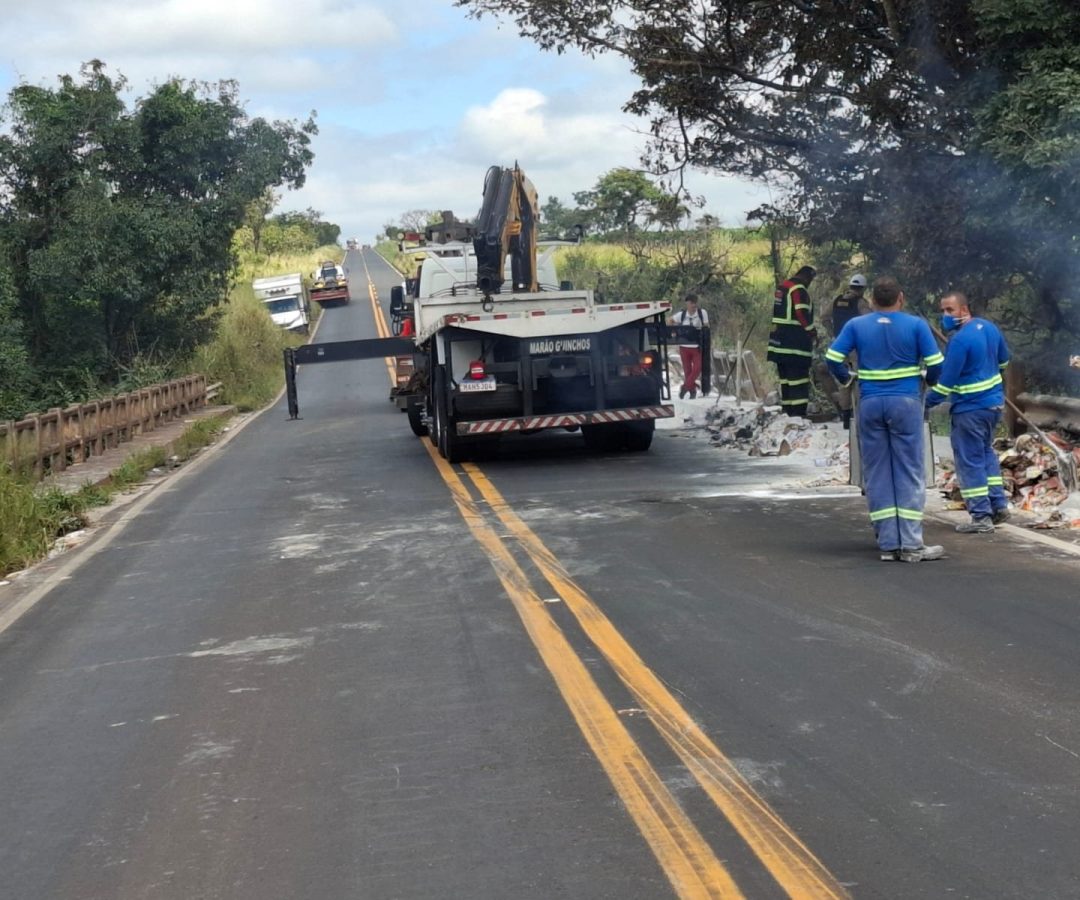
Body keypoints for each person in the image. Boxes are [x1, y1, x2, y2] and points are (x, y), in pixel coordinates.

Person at [826, 276, 946, 562]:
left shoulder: (856, 325)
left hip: (870, 403)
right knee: (909, 470)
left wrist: (847, 378)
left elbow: (832, 357)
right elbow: (936, 364)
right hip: (905, 403)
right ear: (900, 298)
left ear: (872, 300)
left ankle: (889, 543)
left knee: (877, 471)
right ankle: (911, 544)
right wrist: (928, 381)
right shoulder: (916, 325)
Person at [924, 291, 1011, 532]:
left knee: (969, 461)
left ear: (964, 310)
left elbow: (945, 383)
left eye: (949, 310)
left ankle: (981, 516)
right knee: (986, 454)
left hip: (969, 410)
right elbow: (1004, 361)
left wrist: (923, 402)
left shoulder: (959, 341)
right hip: (993, 406)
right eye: (943, 310)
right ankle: (998, 505)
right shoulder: (989, 328)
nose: (945, 315)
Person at [821, 274, 871, 429]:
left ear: (850, 286)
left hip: (839, 346)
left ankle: (845, 417)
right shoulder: (861, 303)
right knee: (857, 378)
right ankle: (858, 416)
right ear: (863, 289)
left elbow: (824, 317)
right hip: (855, 347)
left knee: (845, 381)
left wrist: (833, 333)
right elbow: (870, 321)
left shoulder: (837, 301)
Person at [767, 266, 817, 417]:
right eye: (810, 280)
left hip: (778, 344)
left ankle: (787, 413)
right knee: (798, 381)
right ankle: (798, 415)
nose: (809, 283)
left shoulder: (783, 287)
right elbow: (801, 313)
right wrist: (812, 332)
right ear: (807, 277)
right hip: (794, 345)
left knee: (786, 381)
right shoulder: (799, 289)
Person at [672, 294, 709, 399]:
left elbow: (706, 326)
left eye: (695, 303)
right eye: (691, 303)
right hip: (684, 347)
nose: (693, 305)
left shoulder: (702, 313)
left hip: (697, 346)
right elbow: (670, 320)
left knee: (697, 368)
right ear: (687, 304)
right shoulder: (682, 315)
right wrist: (674, 331)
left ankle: (685, 387)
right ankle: (692, 390)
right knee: (687, 371)